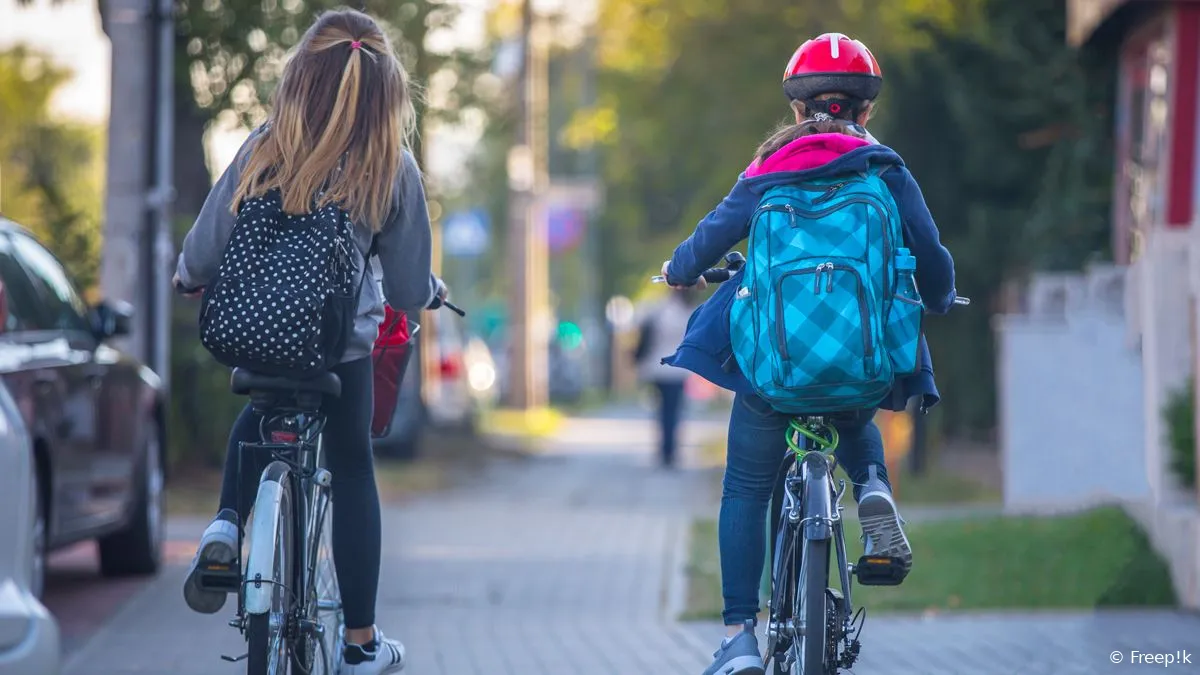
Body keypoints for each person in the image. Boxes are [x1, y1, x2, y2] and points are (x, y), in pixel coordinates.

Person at [659, 34, 956, 675]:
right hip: (858, 363)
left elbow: (703, 243)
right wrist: (938, 295)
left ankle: (740, 636)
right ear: (864, 111)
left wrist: (679, 269)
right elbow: (931, 257)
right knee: (858, 395)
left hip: (774, 373)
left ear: (797, 109)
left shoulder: (768, 171)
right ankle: (872, 484)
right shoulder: (885, 169)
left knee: (745, 486)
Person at [173, 9, 445, 675]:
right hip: (337, 351)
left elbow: (204, 246)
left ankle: (226, 525)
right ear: (385, 91)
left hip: (251, 338)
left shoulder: (265, 145)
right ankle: (360, 644)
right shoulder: (390, 163)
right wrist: (428, 291)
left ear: (300, 77)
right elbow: (408, 289)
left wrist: (188, 278)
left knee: (260, 413)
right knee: (351, 465)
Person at [633, 288, 699, 468]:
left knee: (663, 412)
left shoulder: (659, 311)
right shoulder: (689, 312)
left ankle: (664, 449)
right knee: (674, 411)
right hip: (678, 369)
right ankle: (671, 450)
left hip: (658, 367)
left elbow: (646, 336)